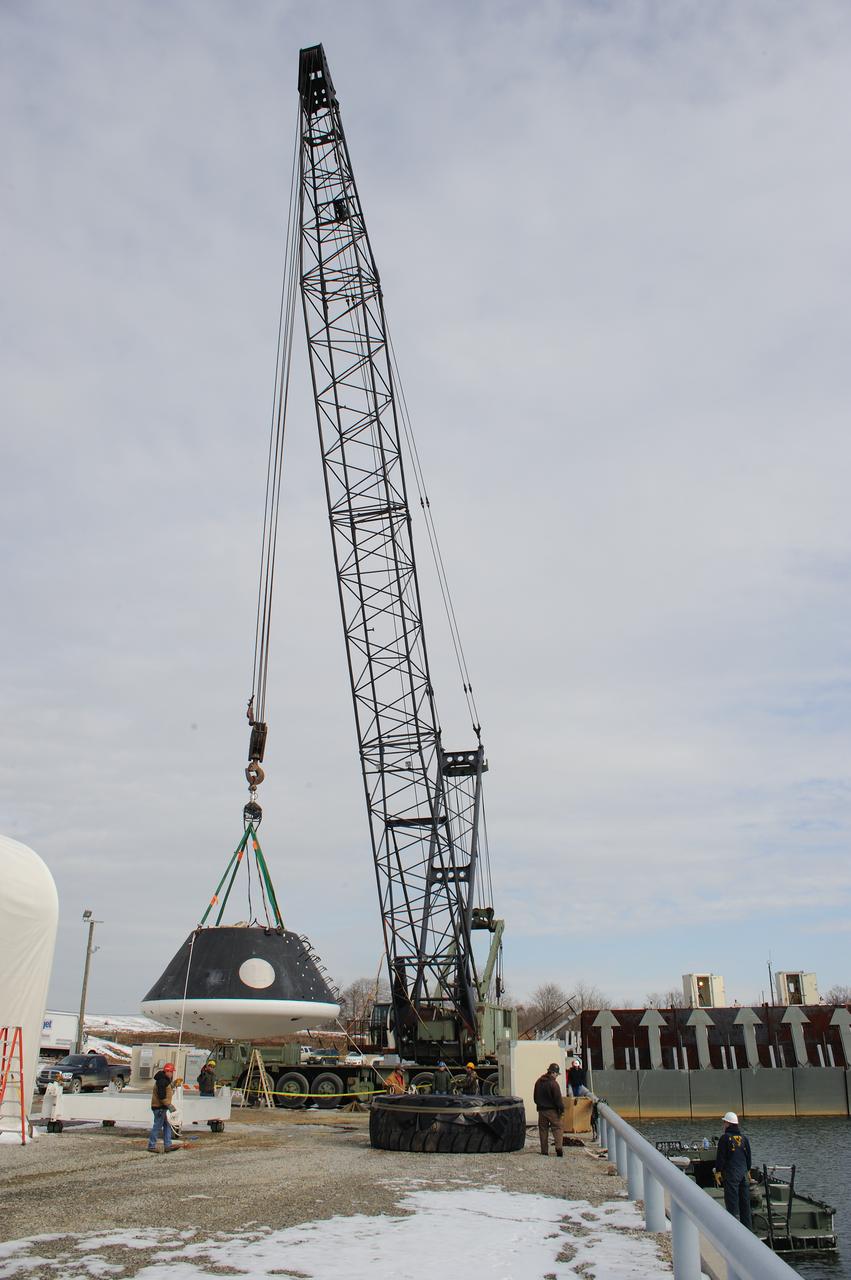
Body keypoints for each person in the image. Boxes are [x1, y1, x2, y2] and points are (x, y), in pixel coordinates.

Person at [714, 1111, 753, 1228]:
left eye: (724, 1122)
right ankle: (748, 1229)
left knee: (732, 1203)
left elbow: (721, 1157)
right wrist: (748, 1171)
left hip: (732, 1174)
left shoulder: (725, 1138)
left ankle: (734, 1229)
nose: (723, 1125)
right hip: (743, 1174)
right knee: (745, 1203)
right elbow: (748, 1157)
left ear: (728, 1124)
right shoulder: (744, 1139)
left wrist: (718, 1172)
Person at [148, 1062, 181, 1153]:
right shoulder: (162, 1081)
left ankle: (168, 1145)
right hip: (160, 1108)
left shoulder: (163, 1080)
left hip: (161, 1107)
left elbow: (167, 1089)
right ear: (168, 1071)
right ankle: (151, 1145)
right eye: (171, 1072)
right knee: (157, 1126)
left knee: (167, 1126)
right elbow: (162, 1096)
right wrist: (169, 1105)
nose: (172, 1074)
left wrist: (174, 1084)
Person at [533, 1062, 564, 1157]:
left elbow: (535, 1097)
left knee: (543, 1130)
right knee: (557, 1128)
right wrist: (561, 1110)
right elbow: (558, 1099)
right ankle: (558, 1149)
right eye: (557, 1074)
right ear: (553, 1073)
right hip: (552, 1111)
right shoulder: (553, 1084)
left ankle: (544, 1151)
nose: (557, 1076)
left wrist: (540, 1105)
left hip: (541, 1111)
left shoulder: (538, 1081)